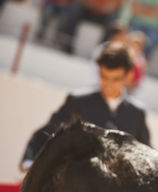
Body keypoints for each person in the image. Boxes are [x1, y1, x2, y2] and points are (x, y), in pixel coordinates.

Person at [20, 42, 151, 172]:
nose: (108, 84)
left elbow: (146, 154)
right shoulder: (78, 101)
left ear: (129, 76)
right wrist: (29, 162)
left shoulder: (137, 113)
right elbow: (45, 135)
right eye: (104, 77)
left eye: (116, 79)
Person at [55, 0, 123, 53]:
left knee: (112, 20)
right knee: (74, 8)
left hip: (105, 12)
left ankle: (101, 51)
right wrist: (92, 4)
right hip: (88, 8)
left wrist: (103, 8)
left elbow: (116, 4)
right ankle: (66, 42)